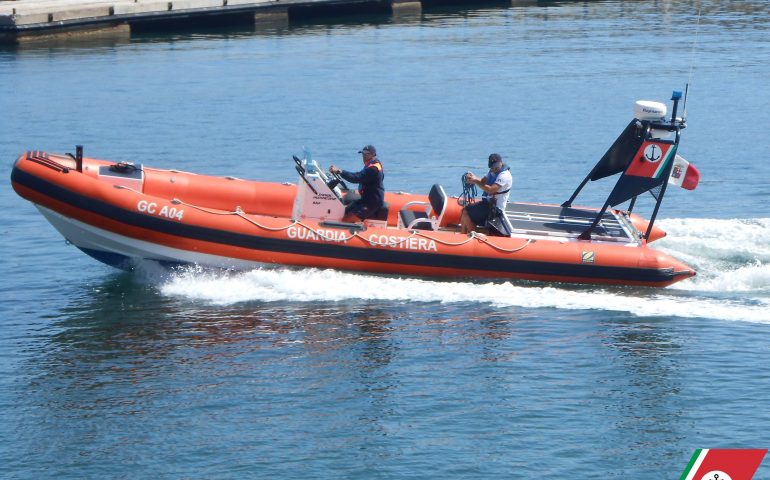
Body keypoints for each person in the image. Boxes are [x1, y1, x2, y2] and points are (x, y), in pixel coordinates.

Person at [460, 153, 513, 235]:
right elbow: (483, 181)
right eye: (492, 167)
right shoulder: (492, 171)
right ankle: (463, 235)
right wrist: (473, 178)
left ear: (501, 162)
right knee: (465, 210)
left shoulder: (504, 175)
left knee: (465, 212)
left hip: (495, 208)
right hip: (487, 203)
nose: (494, 169)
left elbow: (491, 190)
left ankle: (474, 236)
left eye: (496, 166)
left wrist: (476, 181)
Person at [329, 145, 385, 221]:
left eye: (367, 154)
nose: (364, 156)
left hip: (371, 202)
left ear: (373, 154)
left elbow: (356, 178)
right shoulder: (371, 164)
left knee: (346, 220)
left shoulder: (373, 168)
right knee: (345, 211)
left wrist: (340, 171)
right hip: (365, 199)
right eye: (363, 154)